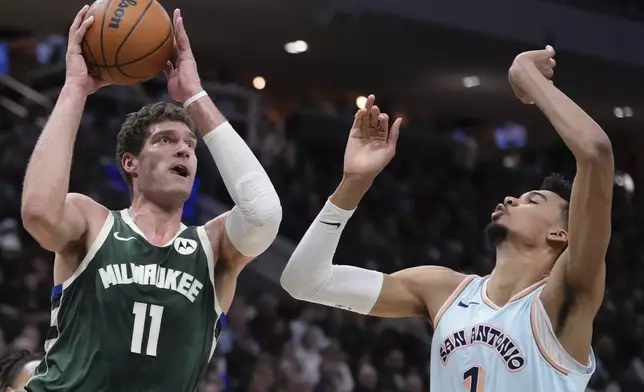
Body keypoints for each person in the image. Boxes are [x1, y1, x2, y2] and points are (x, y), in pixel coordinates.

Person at [281, 45, 613, 392]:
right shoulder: (443, 290)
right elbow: (303, 282)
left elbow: (596, 153)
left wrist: (525, 74)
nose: (513, 198)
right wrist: (353, 184)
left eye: (533, 200)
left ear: (561, 235)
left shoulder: (562, 298)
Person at [20, 6, 281, 392]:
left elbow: (263, 214)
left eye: (190, 146)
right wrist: (75, 88)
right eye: (166, 141)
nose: (184, 152)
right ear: (131, 163)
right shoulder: (93, 222)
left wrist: (194, 95)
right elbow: (39, 212)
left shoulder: (214, 249)